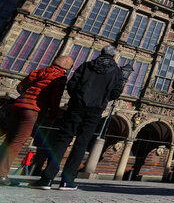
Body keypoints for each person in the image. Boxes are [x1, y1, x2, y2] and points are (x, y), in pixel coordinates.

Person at [31, 45, 124, 191]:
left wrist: (77, 98)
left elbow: (72, 84)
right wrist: (102, 100)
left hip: (76, 107)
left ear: (100, 53)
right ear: (114, 57)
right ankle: (67, 182)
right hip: (95, 111)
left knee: (62, 140)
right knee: (81, 144)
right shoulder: (117, 72)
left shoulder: (87, 66)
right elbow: (116, 92)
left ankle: (47, 179)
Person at [0, 56, 73, 186]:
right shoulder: (60, 78)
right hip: (32, 109)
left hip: (18, 105)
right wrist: (52, 115)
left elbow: (20, 87)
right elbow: (55, 98)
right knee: (18, 141)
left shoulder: (40, 71)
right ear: (68, 68)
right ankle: (2, 174)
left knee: (9, 139)